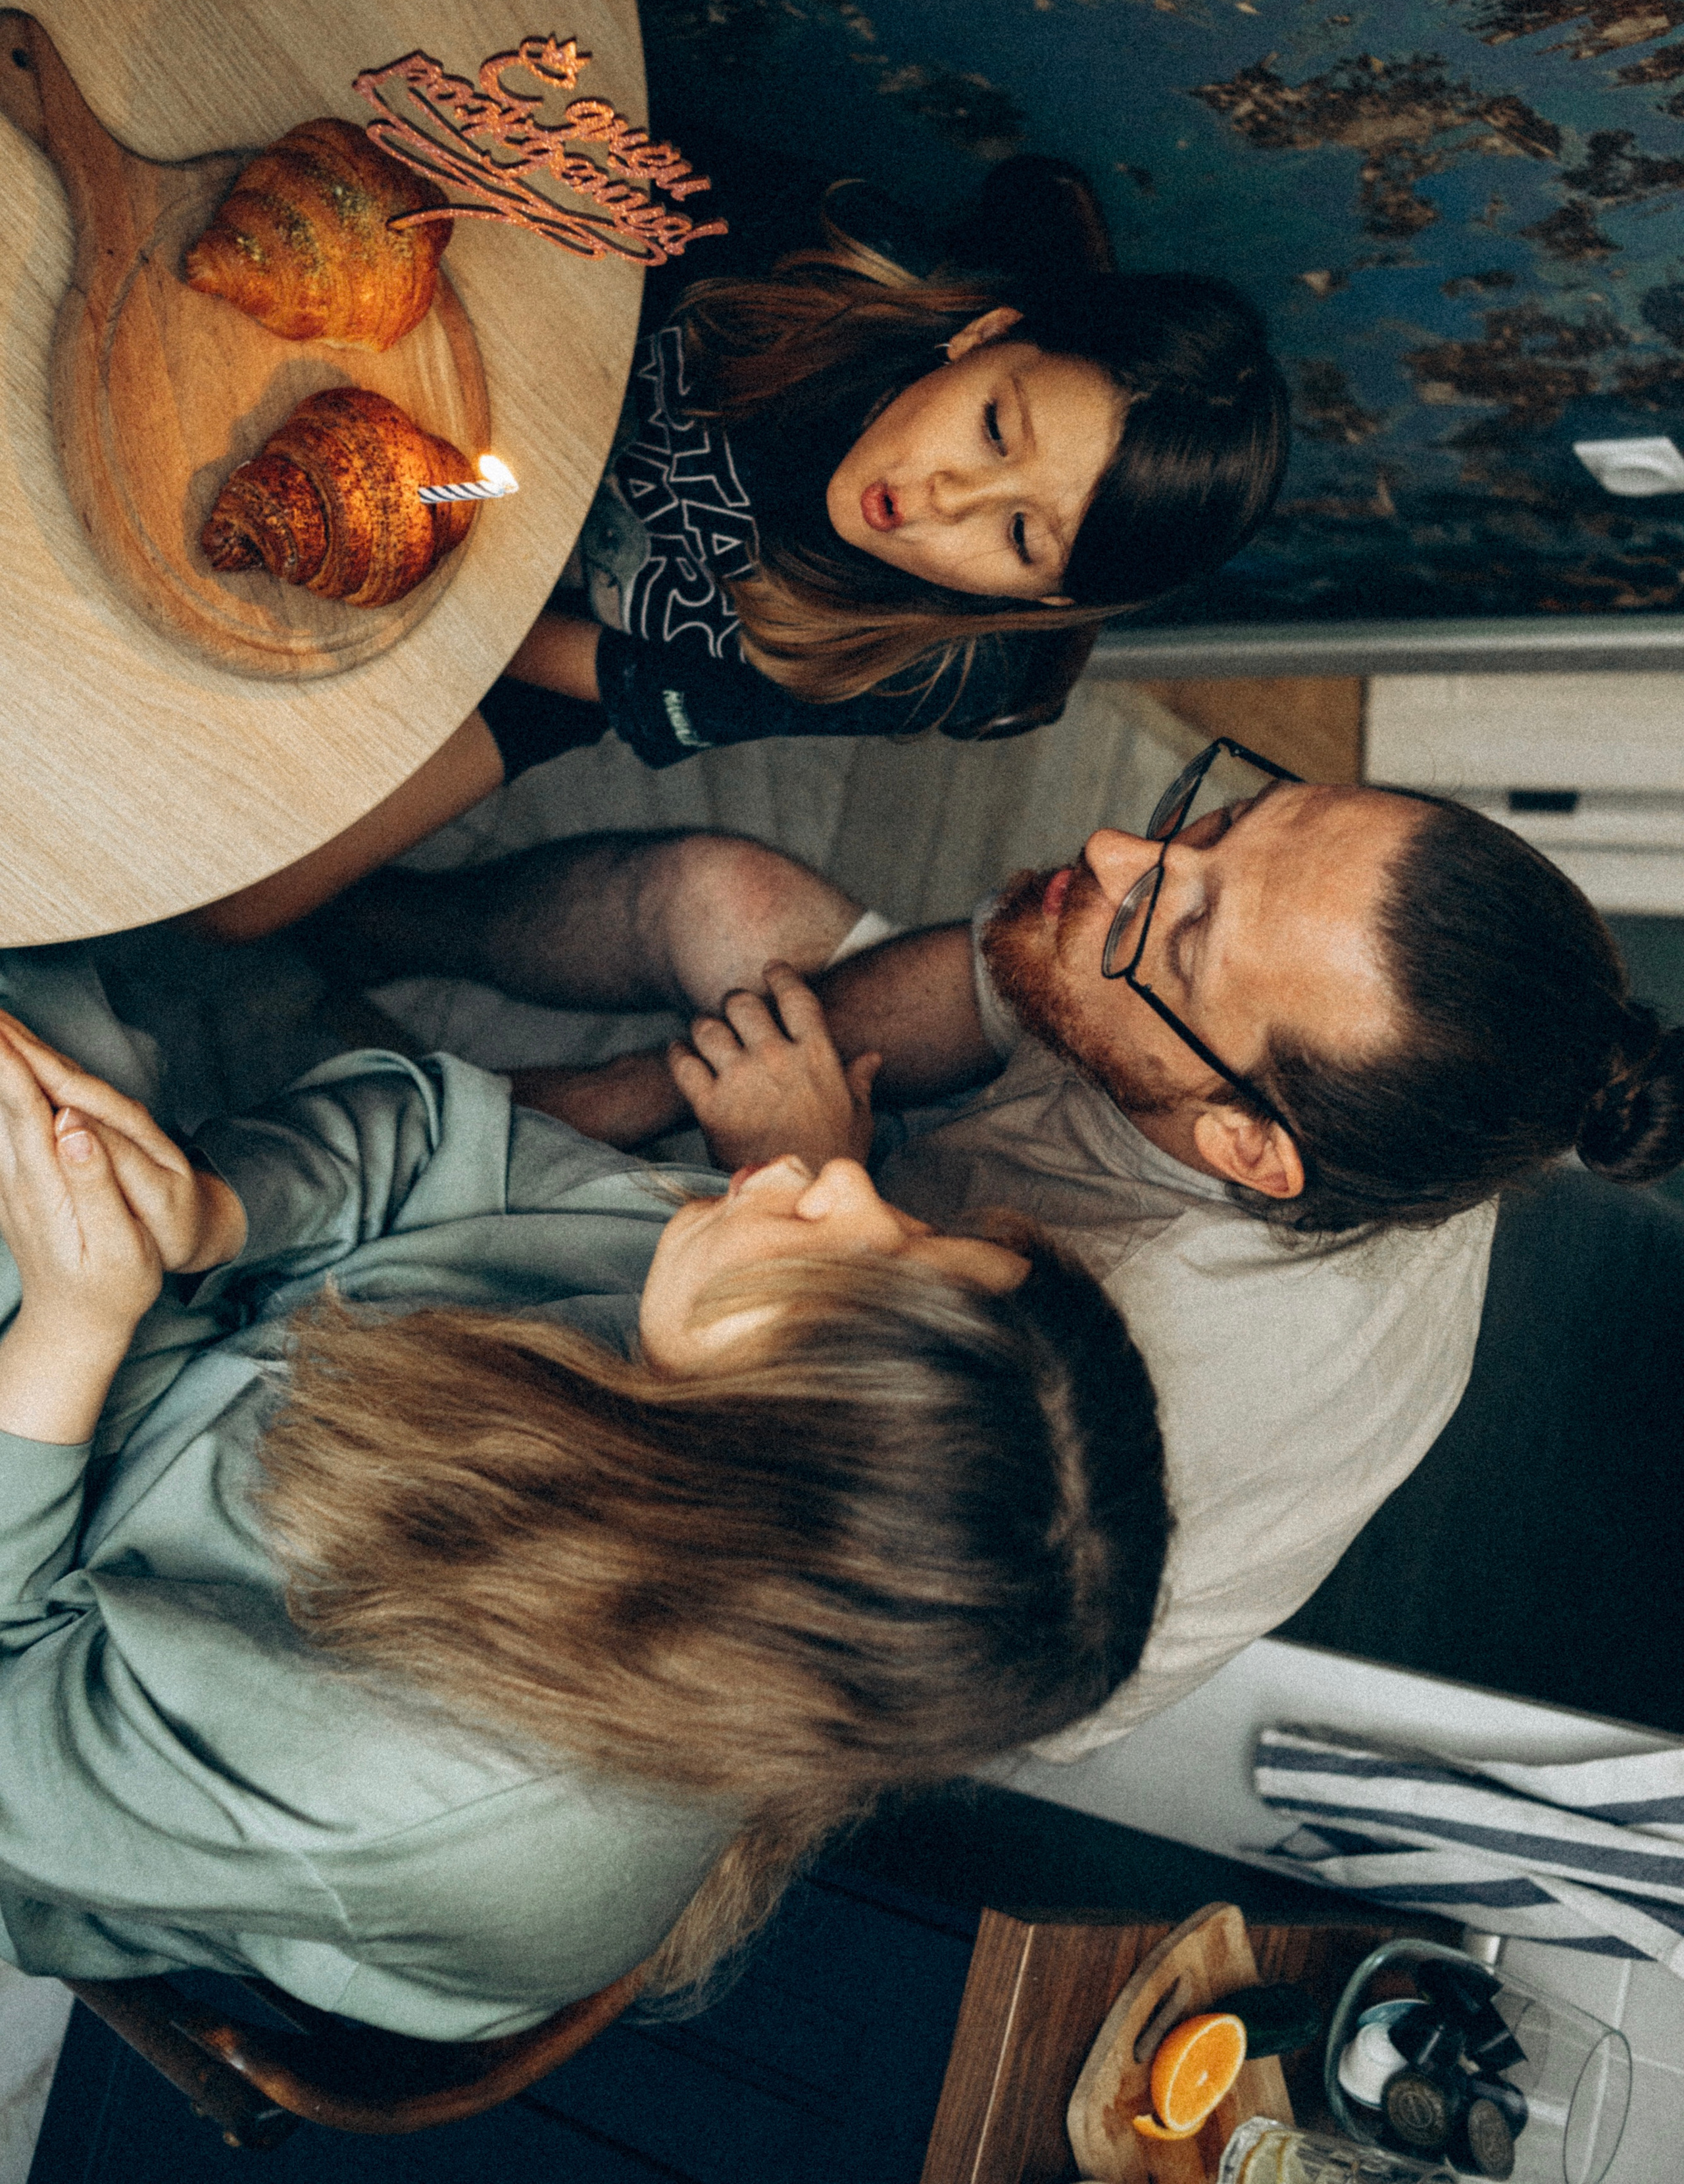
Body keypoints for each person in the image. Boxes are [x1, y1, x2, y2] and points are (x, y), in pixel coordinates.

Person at [297, 739, 1684, 1750]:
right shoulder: (1409, 1068)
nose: (1117, 859)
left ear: (1248, 1149)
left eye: (1175, 922)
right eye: (1219, 823)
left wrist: (787, 1161)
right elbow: (984, 973)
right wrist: (662, 1087)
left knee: (575, 1223)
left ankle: (307, 1137)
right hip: (936, 1227)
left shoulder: (1141, 1344)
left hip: (866, 1520)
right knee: (724, 900)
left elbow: (846, 1446)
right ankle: (354, 908)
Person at [0, 954, 1167, 2040]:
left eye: (861, 1278)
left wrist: (73, 1323)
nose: (846, 1180)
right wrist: (215, 1218)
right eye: (915, 1228)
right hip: (155, 1318)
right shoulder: (710, 1317)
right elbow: (435, 1137)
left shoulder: (422, 1783)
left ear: (760, 1500)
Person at [195, 222, 1288, 941]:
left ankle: (371, 927)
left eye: (1017, 536)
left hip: (559, 651)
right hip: (508, 423)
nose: (946, 496)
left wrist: (437, 601)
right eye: (997, 425)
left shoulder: (925, 671)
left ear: (1042, 602)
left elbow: (622, 677)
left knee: (237, 904)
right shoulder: (801, 288)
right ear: (986, 334)